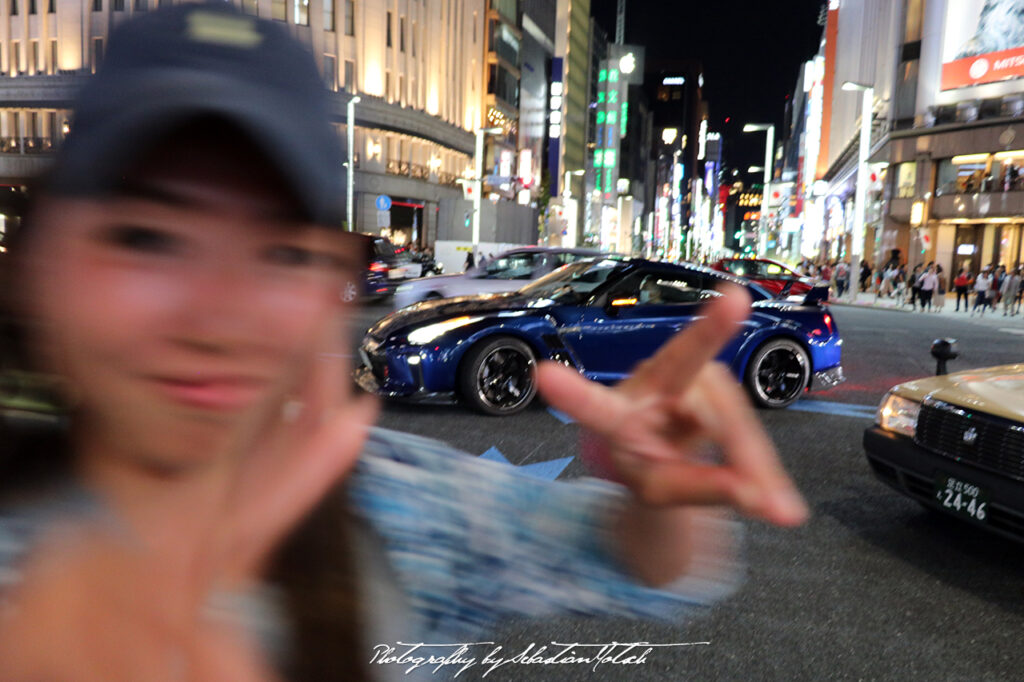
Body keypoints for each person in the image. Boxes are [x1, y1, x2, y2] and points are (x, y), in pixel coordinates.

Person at [0, 5, 808, 680]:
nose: (217, 317)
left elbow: (641, 567)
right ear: (41, 265)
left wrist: (651, 494)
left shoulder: (400, 509)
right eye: (146, 237)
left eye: (280, 252)